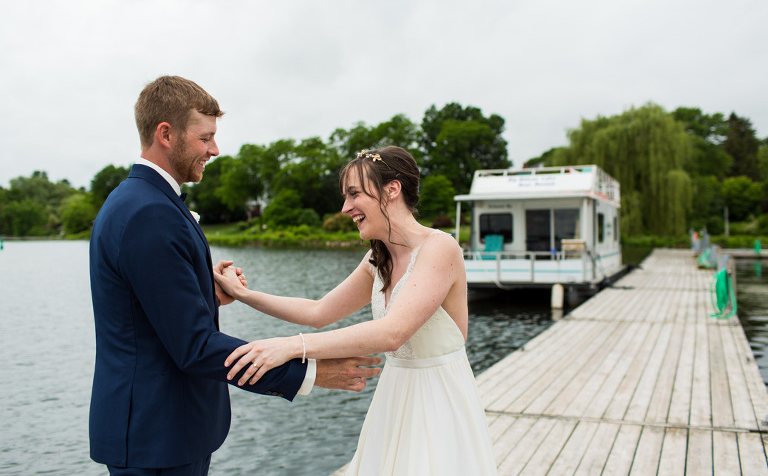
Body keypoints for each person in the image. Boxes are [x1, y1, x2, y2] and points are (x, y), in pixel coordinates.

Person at [89, 75, 381, 476]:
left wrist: (205, 290)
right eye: (205, 138)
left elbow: (144, 305)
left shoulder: (139, 201)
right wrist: (309, 371)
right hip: (155, 436)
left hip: (162, 431)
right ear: (166, 134)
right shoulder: (149, 213)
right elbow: (194, 346)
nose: (214, 149)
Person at [215, 146, 498, 475]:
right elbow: (318, 311)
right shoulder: (378, 259)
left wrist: (292, 346)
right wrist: (243, 294)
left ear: (392, 190)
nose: (345, 207)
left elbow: (392, 332)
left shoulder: (440, 247)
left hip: (439, 399)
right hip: (394, 396)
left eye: (354, 194)